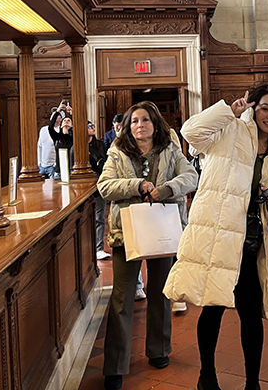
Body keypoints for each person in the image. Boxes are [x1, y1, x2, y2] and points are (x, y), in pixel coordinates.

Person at [165, 85, 268, 390]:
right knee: (213, 305)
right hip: (219, 234)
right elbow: (191, 132)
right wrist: (228, 111)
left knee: (251, 313)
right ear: (253, 107)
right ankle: (206, 374)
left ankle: (252, 382)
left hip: (252, 239)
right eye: (265, 108)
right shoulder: (230, 130)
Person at [97, 101, 197, 390]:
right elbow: (105, 186)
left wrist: (165, 189)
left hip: (163, 228)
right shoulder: (117, 152)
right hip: (126, 232)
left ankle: (159, 349)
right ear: (128, 127)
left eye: (145, 120)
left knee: (160, 291)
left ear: (155, 124)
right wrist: (138, 186)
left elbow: (191, 177)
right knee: (122, 297)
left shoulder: (170, 150)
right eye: (134, 121)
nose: (140, 125)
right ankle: (115, 365)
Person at [88, 121, 109, 260]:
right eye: (89, 126)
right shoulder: (76, 148)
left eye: (93, 126)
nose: (92, 128)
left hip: (100, 183)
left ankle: (99, 248)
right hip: (86, 186)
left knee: (100, 217)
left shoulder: (100, 145)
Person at [48, 101, 74, 179]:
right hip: (59, 171)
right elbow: (50, 127)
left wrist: (72, 113)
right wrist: (58, 111)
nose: (66, 121)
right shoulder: (57, 137)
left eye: (68, 121)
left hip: (72, 170)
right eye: (64, 121)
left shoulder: (74, 137)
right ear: (61, 125)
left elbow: (80, 127)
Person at [37, 108, 57, 178]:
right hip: (42, 165)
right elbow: (39, 146)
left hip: (53, 165)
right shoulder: (43, 129)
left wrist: (56, 163)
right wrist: (39, 161)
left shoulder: (60, 130)